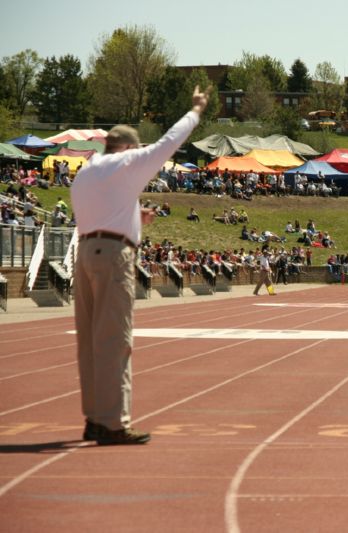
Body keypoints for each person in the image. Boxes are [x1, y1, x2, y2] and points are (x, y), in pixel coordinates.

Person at [71, 85, 211, 445]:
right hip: (113, 257)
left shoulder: (88, 170)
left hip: (85, 252)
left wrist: (135, 214)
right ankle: (114, 422)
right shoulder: (129, 162)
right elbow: (168, 142)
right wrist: (195, 110)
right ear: (130, 148)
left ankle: (95, 418)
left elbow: (105, 208)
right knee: (115, 340)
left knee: (90, 342)